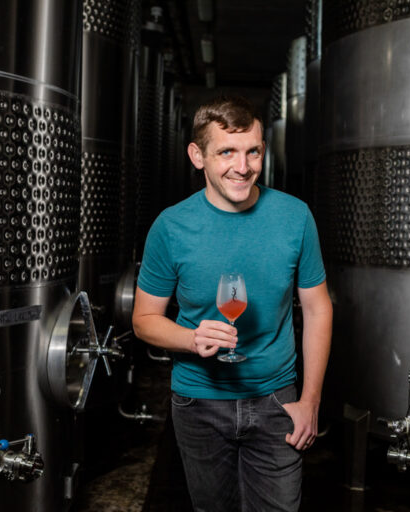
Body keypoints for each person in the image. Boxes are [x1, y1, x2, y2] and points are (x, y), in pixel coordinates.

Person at [132, 95, 332, 511]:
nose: (243, 167)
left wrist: (310, 400)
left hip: (278, 400)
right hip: (198, 401)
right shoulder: (171, 227)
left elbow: (317, 308)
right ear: (197, 156)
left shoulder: (295, 217)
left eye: (252, 151)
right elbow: (144, 320)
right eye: (226, 152)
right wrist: (190, 339)